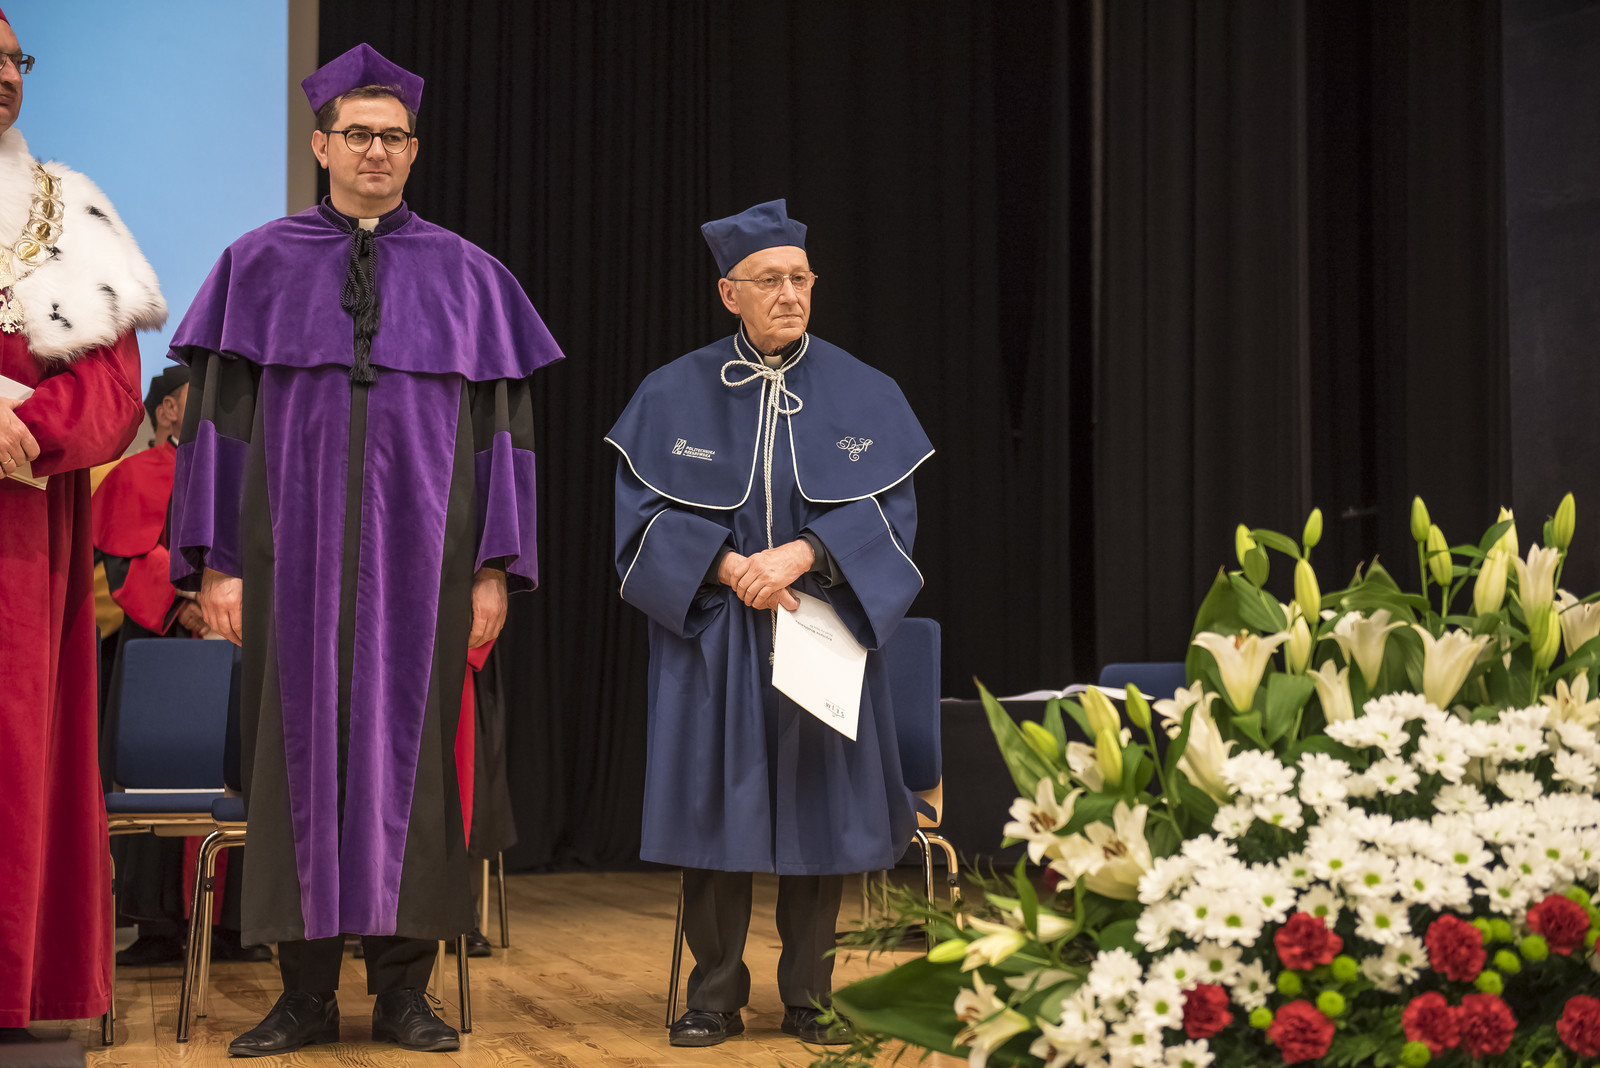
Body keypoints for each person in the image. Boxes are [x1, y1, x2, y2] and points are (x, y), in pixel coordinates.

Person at [165, 43, 562, 1056]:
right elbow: (218, 430)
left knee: (414, 771)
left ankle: (403, 993)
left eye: (392, 137)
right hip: (285, 560)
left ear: (414, 150)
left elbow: (504, 441)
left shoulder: (470, 277)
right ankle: (302, 995)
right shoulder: (256, 265)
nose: (375, 151)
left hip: (425, 567)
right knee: (290, 765)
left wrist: (492, 568)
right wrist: (218, 563)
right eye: (357, 135)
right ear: (320, 146)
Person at [607, 200, 932, 1048]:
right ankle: (713, 995)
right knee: (714, 815)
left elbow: (895, 521)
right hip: (713, 631)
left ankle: (811, 996)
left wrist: (805, 553)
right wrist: (725, 565)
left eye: (801, 279)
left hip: (821, 624)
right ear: (730, 293)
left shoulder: (867, 392)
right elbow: (637, 525)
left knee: (819, 812)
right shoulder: (670, 392)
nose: (790, 295)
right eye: (770, 281)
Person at [0, 5, 167, 1034]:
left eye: (12, 59)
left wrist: (22, 431)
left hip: (18, 530)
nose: (3, 75)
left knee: (9, 755)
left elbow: (111, 388)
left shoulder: (69, 208)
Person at [91, 366, 268, 968]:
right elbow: (123, 562)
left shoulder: (247, 473)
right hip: (164, 646)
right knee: (159, 775)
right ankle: (159, 925)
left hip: (240, 642)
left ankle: (237, 925)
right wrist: (185, 609)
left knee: (240, 773)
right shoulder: (135, 473)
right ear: (167, 410)